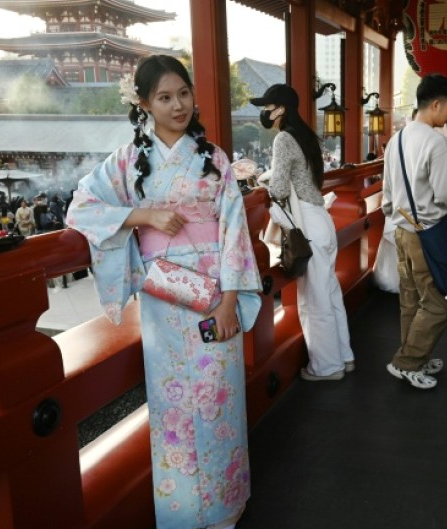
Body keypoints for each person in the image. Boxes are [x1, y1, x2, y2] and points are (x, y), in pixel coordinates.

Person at [66, 54, 262, 529]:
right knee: (173, 404)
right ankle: (181, 512)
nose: (178, 106)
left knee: (219, 396)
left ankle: (223, 507)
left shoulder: (213, 159)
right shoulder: (129, 160)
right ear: (145, 103)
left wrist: (232, 299)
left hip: (215, 291)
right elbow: (81, 207)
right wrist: (144, 216)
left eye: (184, 94)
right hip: (164, 297)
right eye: (164, 97)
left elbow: (234, 226)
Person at [250, 83, 354, 381]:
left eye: (267, 107)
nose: (265, 112)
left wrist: (261, 182)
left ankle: (327, 367)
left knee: (315, 300)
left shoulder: (283, 138)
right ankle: (343, 357)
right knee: (330, 294)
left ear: (280, 108)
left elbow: (281, 188)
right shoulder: (305, 136)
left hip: (307, 225)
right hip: (322, 219)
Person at [381, 73, 447, 389]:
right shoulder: (437, 143)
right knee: (439, 302)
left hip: (402, 229)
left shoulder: (397, 140)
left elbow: (388, 195)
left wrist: (401, 220)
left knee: (411, 301)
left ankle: (414, 354)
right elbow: (446, 195)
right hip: (427, 231)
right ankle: (407, 361)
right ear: (437, 104)